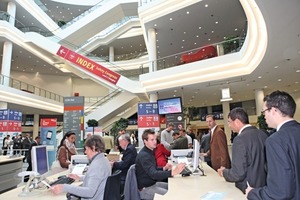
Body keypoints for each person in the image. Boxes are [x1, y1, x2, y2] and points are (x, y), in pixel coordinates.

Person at [246, 91, 300, 199]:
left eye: (264, 112)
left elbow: (280, 192)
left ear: (274, 110)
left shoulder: (275, 141)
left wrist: (252, 193)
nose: (264, 116)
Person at [217, 107, 267, 193]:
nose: (229, 126)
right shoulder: (263, 134)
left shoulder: (239, 140)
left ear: (237, 122)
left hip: (248, 189)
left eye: (229, 122)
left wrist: (224, 172)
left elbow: (238, 173)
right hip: (264, 187)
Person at [51, 135, 111, 200]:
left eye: (86, 149)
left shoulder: (97, 165)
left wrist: (64, 187)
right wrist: (80, 178)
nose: (85, 152)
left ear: (93, 148)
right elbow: (97, 178)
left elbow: (90, 192)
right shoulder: (104, 160)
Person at [135, 129, 185, 200]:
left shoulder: (149, 151)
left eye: (155, 139)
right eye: (152, 140)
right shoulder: (145, 155)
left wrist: (163, 168)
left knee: (174, 188)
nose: (155, 142)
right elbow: (154, 174)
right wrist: (172, 172)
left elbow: (152, 169)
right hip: (146, 189)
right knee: (172, 196)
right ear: (145, 141)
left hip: (152, 184)